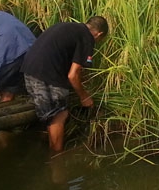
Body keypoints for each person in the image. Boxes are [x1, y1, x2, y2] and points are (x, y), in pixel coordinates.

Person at [21, 16, 109, 153]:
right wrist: (84, 97)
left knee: (49, 113)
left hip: (29, 70)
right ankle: (57, 156)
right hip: (46, 75)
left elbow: (73, 66)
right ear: (99, 34)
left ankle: (50, 148)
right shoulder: (87, 38)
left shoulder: (69, 27)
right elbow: (72, 76)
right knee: (59, 114)